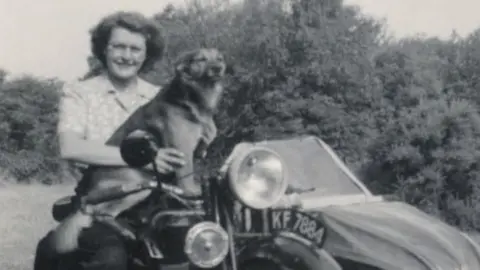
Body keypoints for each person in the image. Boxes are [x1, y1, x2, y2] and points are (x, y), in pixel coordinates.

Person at [33, 11, 185, 270]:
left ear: (146, 54)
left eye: (136, 49)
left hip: (157, 205)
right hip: (101, 203)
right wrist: (145, 160)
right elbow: (70, 147)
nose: (127, 56)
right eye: (119, 46)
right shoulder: (80, 92)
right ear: (104, 49)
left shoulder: (159, 96)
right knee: (110, 258)